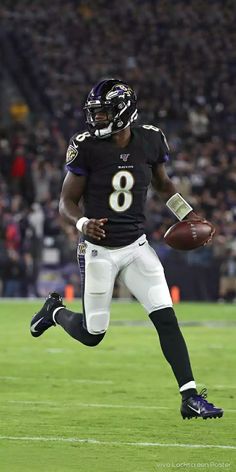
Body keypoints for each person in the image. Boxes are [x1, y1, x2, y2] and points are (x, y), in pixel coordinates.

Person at [30, 78, 223, 420]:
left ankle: (190, 397)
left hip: (136, 246)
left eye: (104, 113)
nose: (97, 119)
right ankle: (55, 313)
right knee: (93, 335)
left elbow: (164, 185)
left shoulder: (150, 139)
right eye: (96, 113)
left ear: (123, 112)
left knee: (166, 317)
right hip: (98, 250)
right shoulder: (86, 145)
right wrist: (81, 223)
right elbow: (66, 201)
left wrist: (187, 213)